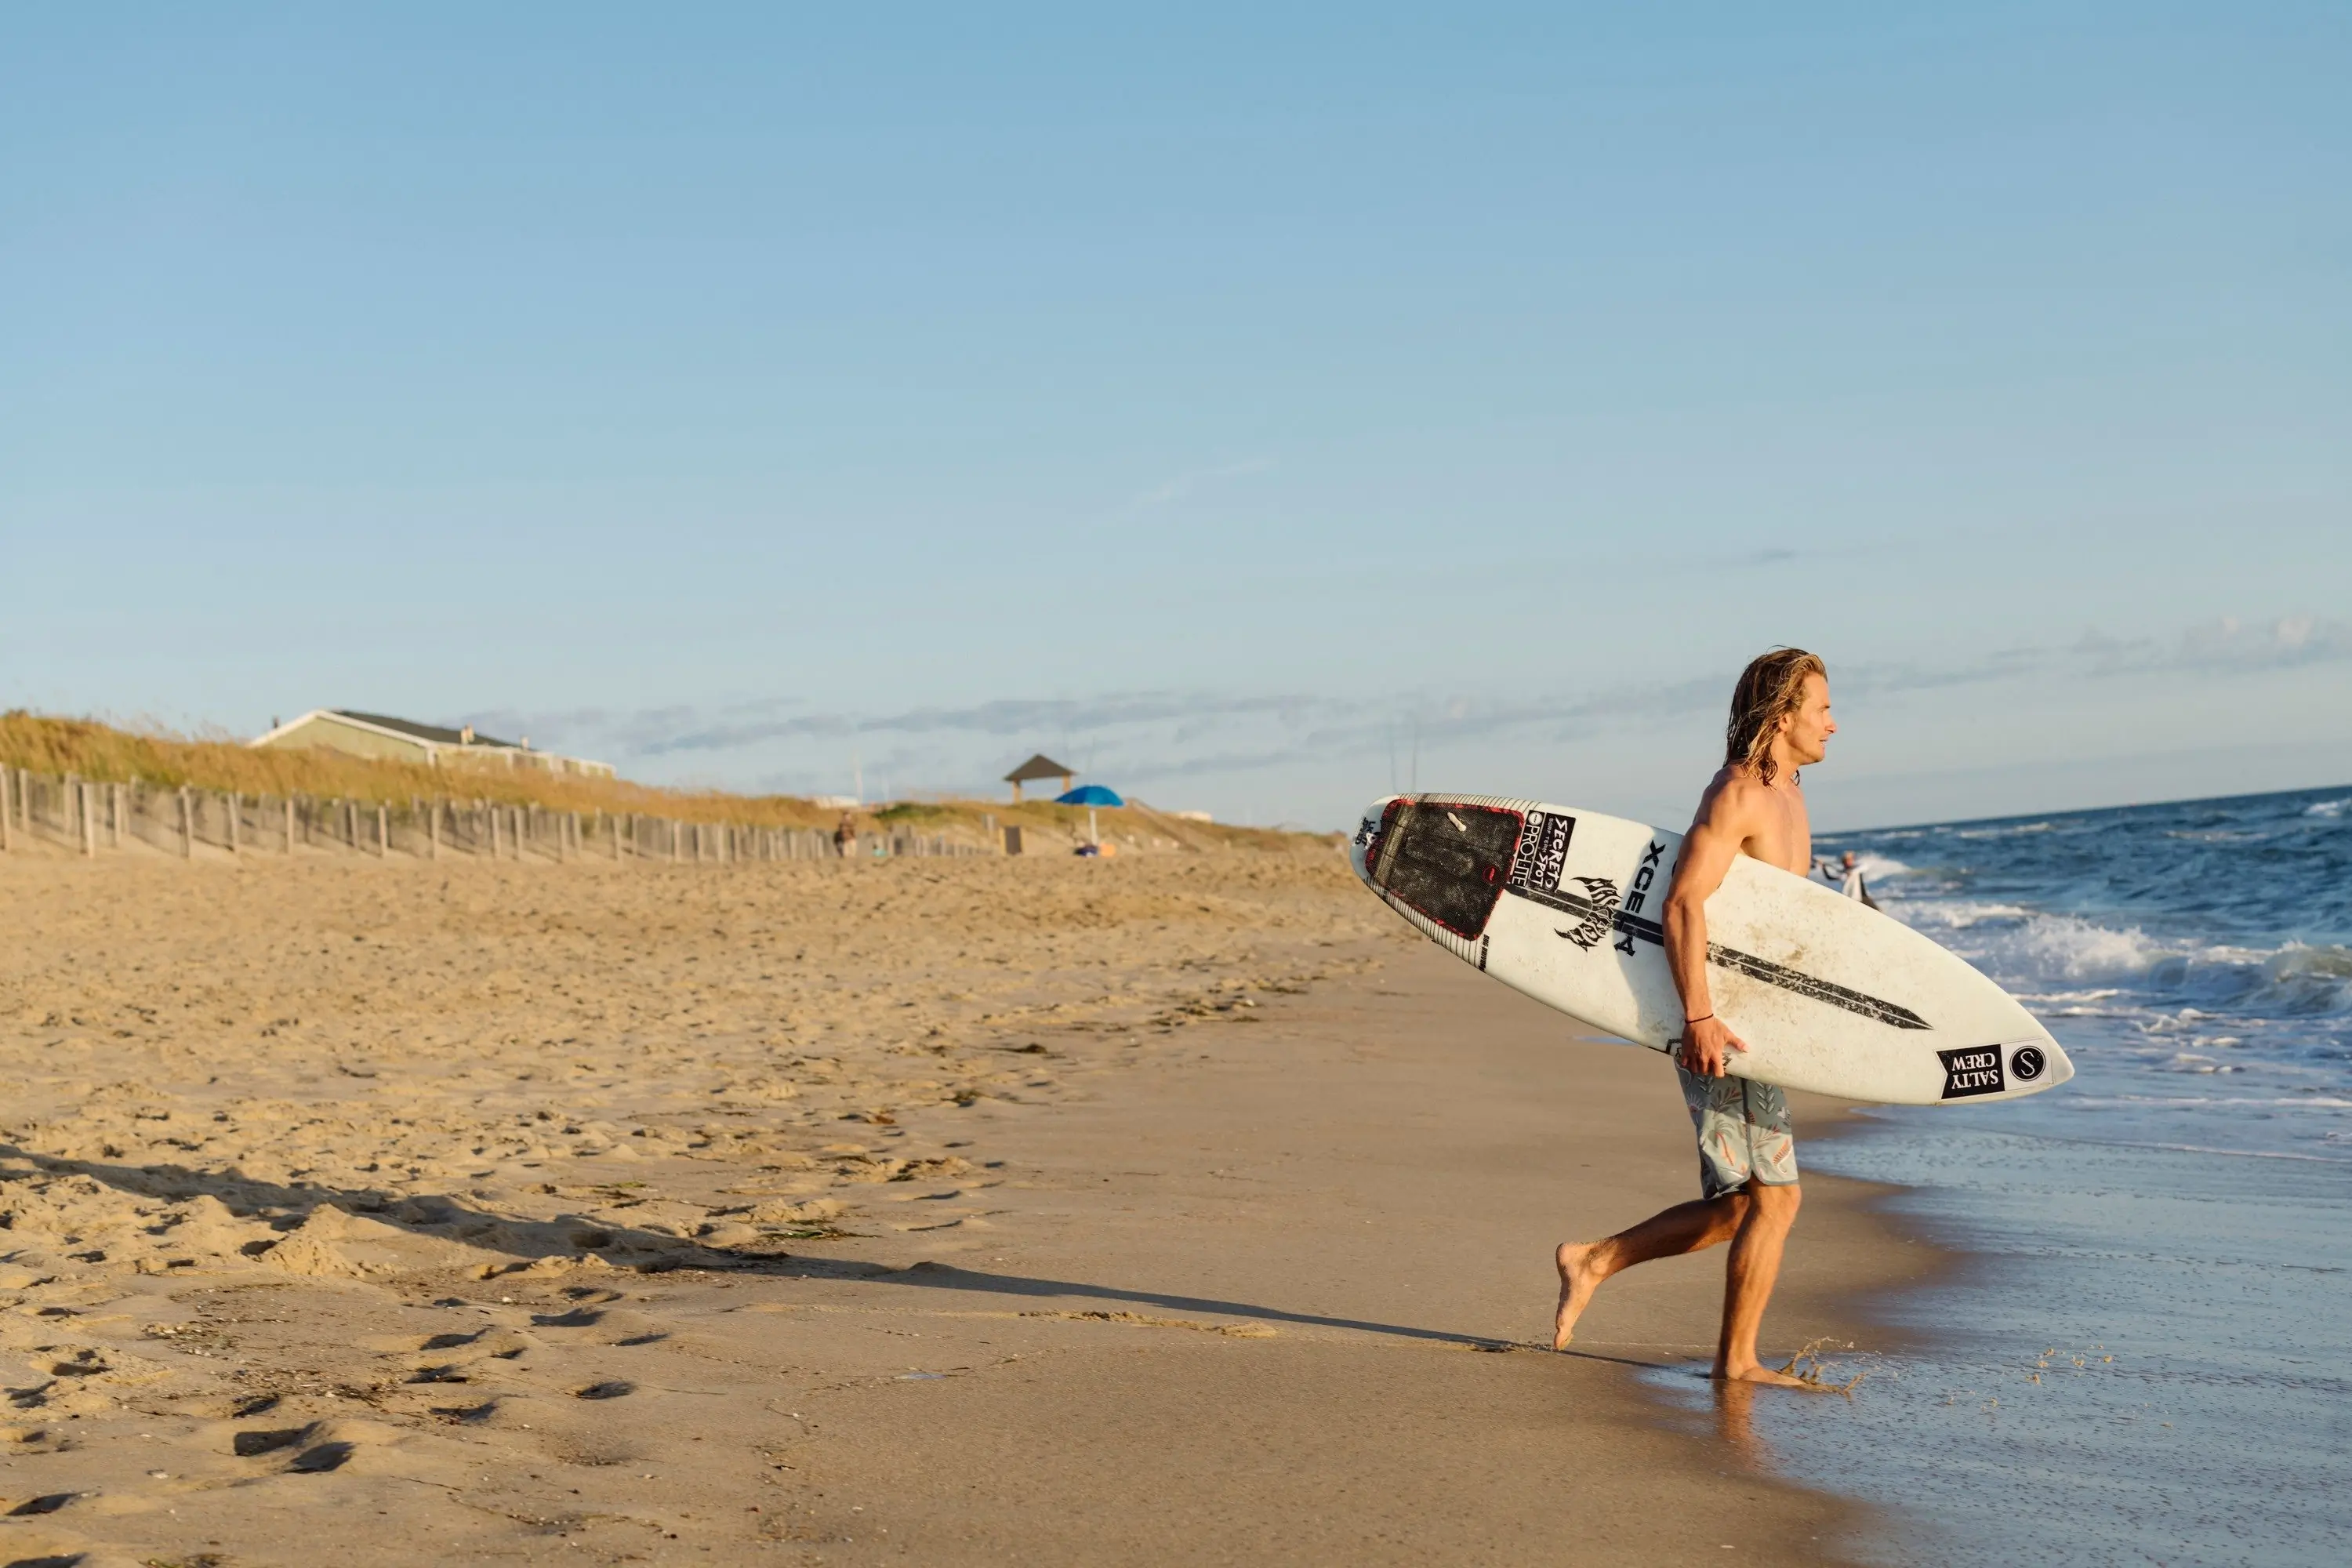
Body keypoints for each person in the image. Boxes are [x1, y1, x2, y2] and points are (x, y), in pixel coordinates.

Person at [1551, 647, 1837, 1386]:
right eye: (1823, 709)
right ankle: (1735, 1363)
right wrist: (1700, 1017)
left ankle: (1595, 1259)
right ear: (1782, 715)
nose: (1834, 725)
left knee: (1746, 1207)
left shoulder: (1790, 790)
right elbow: (1683, 902)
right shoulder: (1739, 792)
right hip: (1715, 1019)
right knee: (1775, 1200)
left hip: (1752, 1022)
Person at [1815, 849, 1879, 910]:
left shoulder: (1857, 869)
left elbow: (1864, 866)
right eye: (1845, 861)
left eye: (1849, 860)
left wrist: (1851, 872)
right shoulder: (1843, 874)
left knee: (1878, 912)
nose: (1847, 862)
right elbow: (1830, 877)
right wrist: (1823, 867)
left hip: (1863, 897)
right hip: (1853, 899)